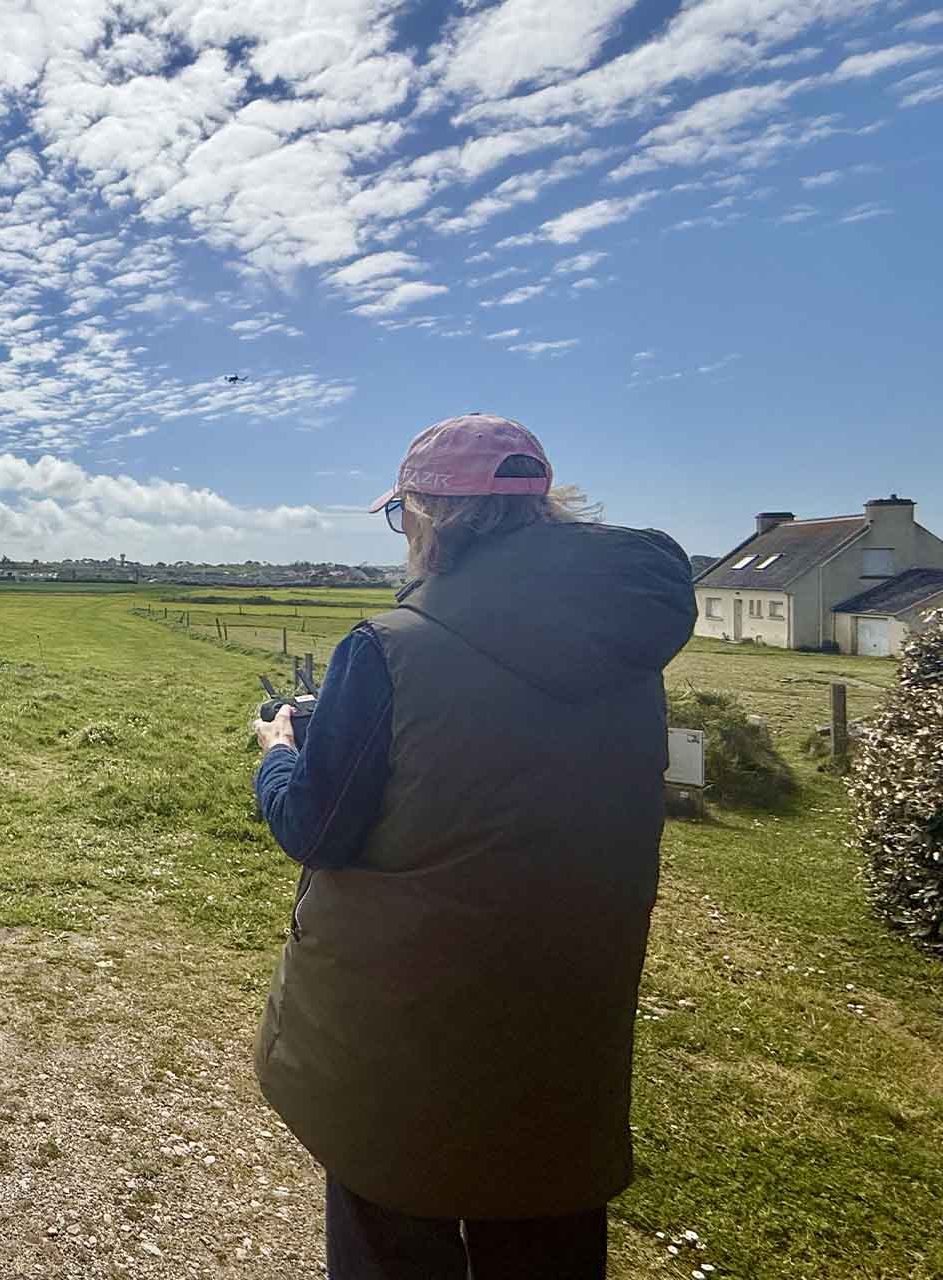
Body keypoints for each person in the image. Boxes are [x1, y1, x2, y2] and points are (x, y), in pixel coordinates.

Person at [249, 414, 695, 1280]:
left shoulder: (389, 649)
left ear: (430, 514)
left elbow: (315, 824)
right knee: (545, 1225)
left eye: (402, 514)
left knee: (392, 1230)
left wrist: (277, 752)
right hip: (568, 1007)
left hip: (407, 1025)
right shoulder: (629, 648)